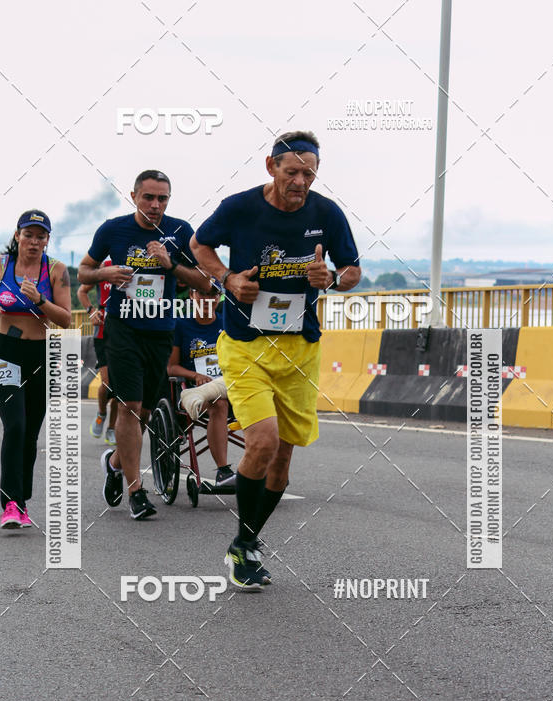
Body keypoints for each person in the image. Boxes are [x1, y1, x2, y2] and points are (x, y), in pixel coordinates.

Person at [191, 131, 361, 590]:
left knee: (282, 460)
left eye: (309, 173)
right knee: (262, 442)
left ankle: (244, 542)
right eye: (292, 172)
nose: (300, 182)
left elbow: (352, 271)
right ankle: (245, 546)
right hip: (245, 343)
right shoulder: (240, 207)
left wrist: (331, 278)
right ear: (271, 167)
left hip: (300, 349)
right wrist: (227, 279)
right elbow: (199, 245)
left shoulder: (327, 214)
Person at [78, 169, 211, 520]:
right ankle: (136, 491)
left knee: (146, 413)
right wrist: (104, 274)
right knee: (129, 406)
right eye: (148, 197)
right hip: (123, 329)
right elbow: (83, 272)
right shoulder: (113, 229)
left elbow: (206, 283)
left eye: (162, 198)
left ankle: (115, 464)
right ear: (134, 196)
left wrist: (172, 265)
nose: (155, 205)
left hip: (161, 331)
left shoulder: (181, 231)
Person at [0, 210, 71, 527]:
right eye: (28, 234)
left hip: (41, 354)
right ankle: (11, 504)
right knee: (14, 425)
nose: (33, 241)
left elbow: (67, 319)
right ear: (17, 236)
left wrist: (40, 301)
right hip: (4, 351)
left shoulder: (55, 270)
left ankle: (21, 502)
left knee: (29, 433)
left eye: (40, 236)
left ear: (47, 240)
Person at [168, 286, 235, 486]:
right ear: (192, 295)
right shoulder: (180, 325)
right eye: (202, 293)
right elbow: (171, 367)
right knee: (219, 404)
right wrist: (195, 375)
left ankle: (266, 467)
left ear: (219, 297)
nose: (207, 299)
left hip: (230, 386)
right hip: (194, 390)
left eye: (213, 294)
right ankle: (223, 471)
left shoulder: (229, 324)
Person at [77, 259, 118, 444]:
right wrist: (91, 311)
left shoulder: (137, 266)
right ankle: (101, 413)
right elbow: (82, 291)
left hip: (127, 333)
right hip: (103, 333)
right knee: (109, 384)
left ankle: (112, 428)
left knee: (121, 388)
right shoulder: (105, 266)